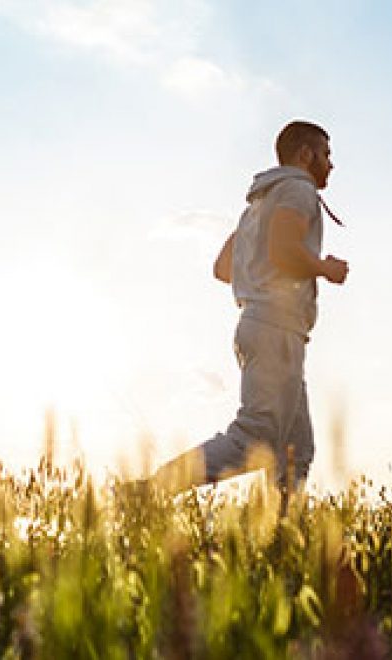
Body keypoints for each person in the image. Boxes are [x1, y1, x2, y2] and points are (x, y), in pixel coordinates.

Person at [149, 120, 349, 495]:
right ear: (305, 155)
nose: (330, 164)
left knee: (295, 450)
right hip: (276, 326)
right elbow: (284, 252)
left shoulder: (260, 202)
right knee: (254, 436)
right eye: (326, 154)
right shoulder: (297, 189)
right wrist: (325, 268)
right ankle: (150, 491)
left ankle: (282, 538)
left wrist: (258, 277)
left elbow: (224, 268)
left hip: (259, 323)